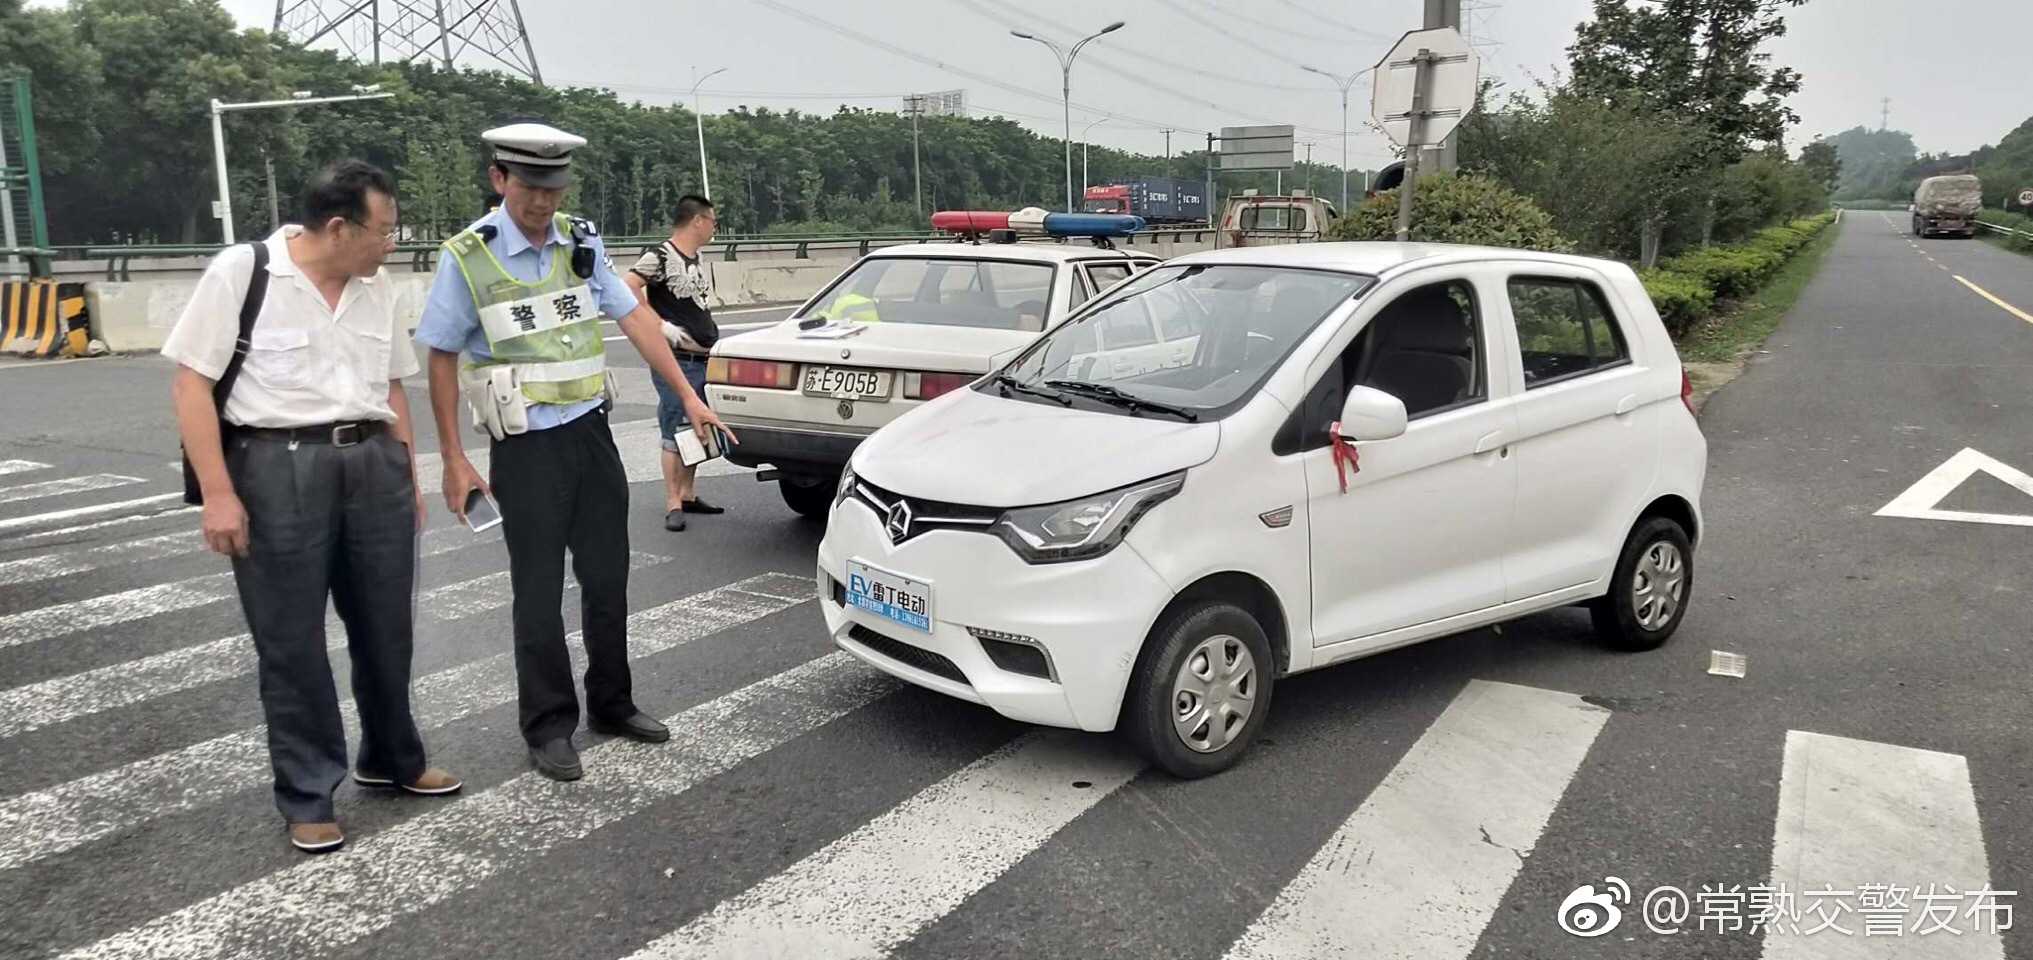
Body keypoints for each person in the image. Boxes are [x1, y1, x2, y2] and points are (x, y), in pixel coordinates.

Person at [413, 122, 737, 782]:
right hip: (525, 447)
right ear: (498, 178)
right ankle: (548, 724)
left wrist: (689, 395)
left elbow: (637, 321)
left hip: (591, 434)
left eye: (553, 188)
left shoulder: (580, 241)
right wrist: (452, 456)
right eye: (530, 187)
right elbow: (441, 356)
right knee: (536, 591)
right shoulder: (468, 255)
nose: (542, 202)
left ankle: (612, 704)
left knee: (607, 577)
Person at [164, 159, 461, 855]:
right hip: (275, 469)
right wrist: (219, 494)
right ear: (339, 227)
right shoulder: (246, 273)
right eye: (384, 230)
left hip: (373, 468)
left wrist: (405, 471)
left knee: (387, 627)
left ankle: (392, 757)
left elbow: (390, 386)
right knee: (291, 642)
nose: (392, 242)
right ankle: (307, 793)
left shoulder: (376, 285)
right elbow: (190, 386)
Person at [623, 194, 726, 531]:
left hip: (704, 355)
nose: (714, 227)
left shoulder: (694, 257)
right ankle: (672, 502)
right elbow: (628, 287)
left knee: (698, 426)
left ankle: (688, 492)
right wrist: (659, 326)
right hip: (677, 359)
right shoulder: (660, 256)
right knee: (674, 426)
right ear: (698, 220)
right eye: (712, 220)